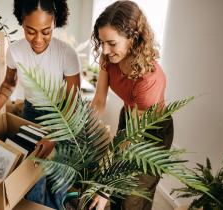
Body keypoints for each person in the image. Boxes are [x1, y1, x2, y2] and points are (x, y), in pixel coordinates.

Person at [0, 0, 81, 209]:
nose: (38, 39)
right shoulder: (15, 51)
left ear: (55, 22)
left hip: (62, 119)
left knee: (57, 184)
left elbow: (74, 104)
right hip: (31, 115)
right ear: (22, 23)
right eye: (30, 31)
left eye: (46, 31)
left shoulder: (67, 54)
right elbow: (9, 84)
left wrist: (54, 136)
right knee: (32, 180)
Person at [89, 1, 174, 210]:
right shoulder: (108, 57)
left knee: (132, 197)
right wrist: (82, 128)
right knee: (116, 195)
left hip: (153, 132)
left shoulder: (149, 79)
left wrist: (104, 188)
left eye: (112, 43)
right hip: (128, 116)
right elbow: (99, 101)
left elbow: (130, 142)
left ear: (133, 39)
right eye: (102, 42)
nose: (105, 50)